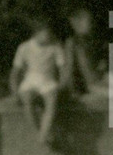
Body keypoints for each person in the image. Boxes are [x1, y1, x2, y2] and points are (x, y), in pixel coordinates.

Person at [10, 17, 69, 145]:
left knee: (51, 101)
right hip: (31, 79)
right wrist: (14, 91)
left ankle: (44, 131)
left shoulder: (55, 47)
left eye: (49, 33)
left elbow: (63, 69)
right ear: (36, 33)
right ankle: (39, 133)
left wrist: (62, 85)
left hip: (48, 80)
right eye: (45, 33)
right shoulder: (24, 47)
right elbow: (15, 72)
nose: (48, 36)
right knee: (26, 99)